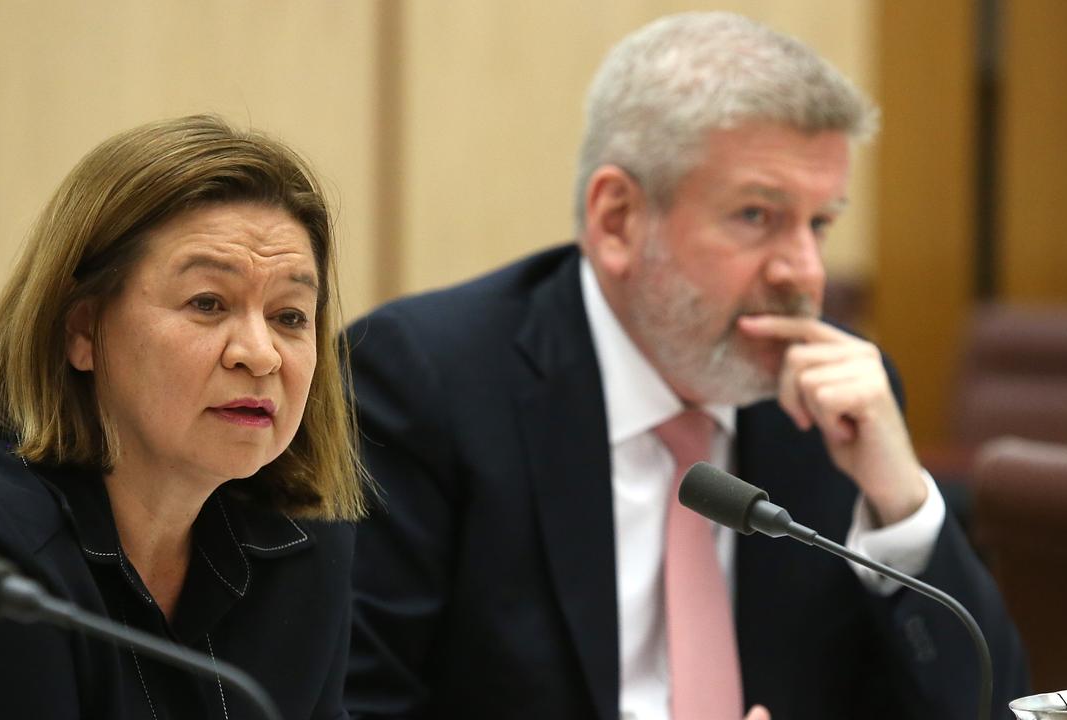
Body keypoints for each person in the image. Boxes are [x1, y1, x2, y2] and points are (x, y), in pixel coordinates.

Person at [343, 13, 1027, 720]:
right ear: (618, 220)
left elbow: (988, 707)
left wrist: (900, 504)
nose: (806, 272)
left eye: (820, 223)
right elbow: (354, 705)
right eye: (759, 216)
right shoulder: (427, 382)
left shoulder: (831, 407)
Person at [0, 115, 366, 719]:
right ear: (82, 331)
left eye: (290, 316)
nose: (259, 353)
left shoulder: (299, 544)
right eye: (208, 303)